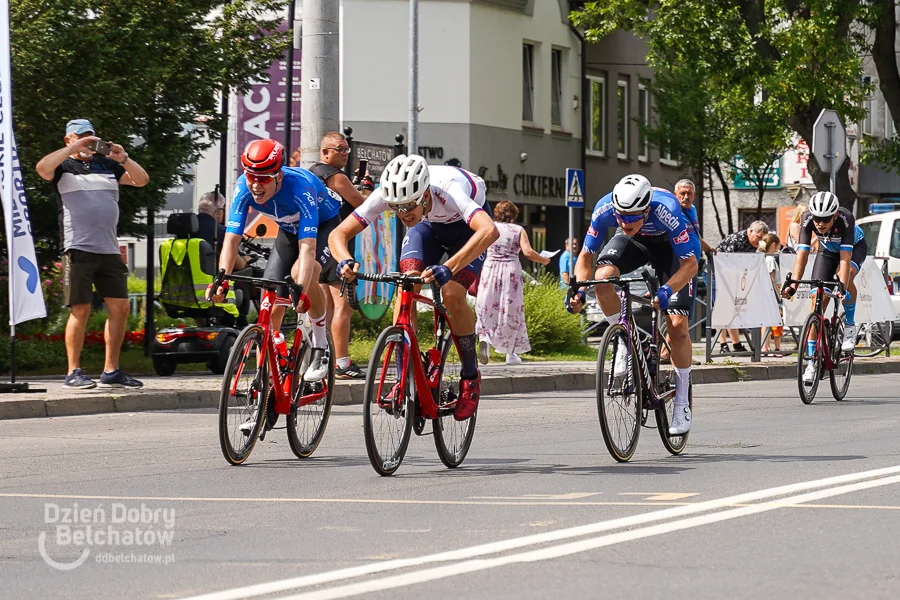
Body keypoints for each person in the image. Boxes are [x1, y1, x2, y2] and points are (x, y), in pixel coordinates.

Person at [329, 154, 499, 421]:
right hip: (428, 227)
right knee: (406, 284)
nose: (403, 213)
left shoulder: (449, 188)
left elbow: (489, 231)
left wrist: (450, 267)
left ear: (425, 195)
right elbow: (338, 233)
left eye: (409, 206)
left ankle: (470, 375)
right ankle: (404, 371)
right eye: (396, 207)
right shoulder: (389, 195)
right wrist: (344, 260)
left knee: (453, 295)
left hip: (468, 231)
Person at [567, 174, 700, 435]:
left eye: (631, 216)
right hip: (635, 244)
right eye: (620, 216)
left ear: (646, 209)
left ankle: (682, 401)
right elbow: (586, 255)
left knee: (677, 326)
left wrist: (666, 290)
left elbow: (691, 265)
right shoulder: (606, 208)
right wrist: (578, 291)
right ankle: (623, 338)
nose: (624, 221)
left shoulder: (668, 209)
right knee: (602, 277)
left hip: (671, 250)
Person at [212, 139, 340, 386]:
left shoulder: (300, 188)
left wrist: (300, 290)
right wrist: (222, 279)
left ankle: (321, 345)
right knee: (268, 298)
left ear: (279, 176)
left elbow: (308, 247)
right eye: (251, 177)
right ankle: (265, 384)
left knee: (303, 273)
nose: (256, 185)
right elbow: (230, 241)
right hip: (288, 232)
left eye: (265, 179)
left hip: (325, 227)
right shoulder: (243, 188)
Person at [36, 118, 150, 389]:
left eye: (92, 137)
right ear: (69, 139)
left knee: (120, 307)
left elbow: (142, 180)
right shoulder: (62, 167)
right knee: (81, 309)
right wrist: (73, 148)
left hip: (109, 249)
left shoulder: (108, 166)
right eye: (82, 137)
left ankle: (111, 371)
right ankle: (73, 371)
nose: (89, 142)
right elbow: (42, 168)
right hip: (77, 248)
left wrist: (123, 158)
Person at [782, 191, 866, 382]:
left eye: (825, 219)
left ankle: (850, 325)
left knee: (846, 275)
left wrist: (841, 287)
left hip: (854, 248)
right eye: (817, 219)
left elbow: (845, 260)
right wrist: (793, 285)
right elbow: (802, 256)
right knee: (816, 304)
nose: (820, 223)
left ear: (835, 215)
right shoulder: (807, 219)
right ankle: (811, 363)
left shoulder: (846, 219)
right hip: (827, 252)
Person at [310, 132, 368, 379]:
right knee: (343, 306)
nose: (345, 154)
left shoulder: (313, 174)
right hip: (337, 246)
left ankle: (322, 358)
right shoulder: (336, 176)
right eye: (339, 150)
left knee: (325, 308)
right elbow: (361, 205)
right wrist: (366, 190)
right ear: (325, 152)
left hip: (315, 244)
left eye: (347, 150)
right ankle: (342, 362)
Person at [475, 200, 550, 365]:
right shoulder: (518, 230)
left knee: (486, 305)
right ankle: (511, 353)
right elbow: (528, 252)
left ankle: (485, 338)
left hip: (490, 268)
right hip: (510, 270)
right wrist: (544, 260)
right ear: (514, 214)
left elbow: (477, 247)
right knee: (510, 310)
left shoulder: (489, 227)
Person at [716, 220, 769, 353]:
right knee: (722, 308)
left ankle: (736, 344)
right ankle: (723, 344)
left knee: (732, 309)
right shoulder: (736, 240)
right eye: (758, 237)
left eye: (762, 239)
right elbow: (725, 263)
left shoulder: (753, 244)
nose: (760, 241)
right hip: (716, 274)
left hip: (736, 277)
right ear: (750, 231)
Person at [758, 233, 784, 356]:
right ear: (773, 245)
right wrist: (779, 294)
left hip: (764, 294)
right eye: (778, 247)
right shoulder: (771, 259)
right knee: (771, 322)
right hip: (772, 295)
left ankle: (765, 347)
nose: (778, 250)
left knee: (766, 321)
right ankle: (766, 347)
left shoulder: (762, 258)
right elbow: (772, 279)